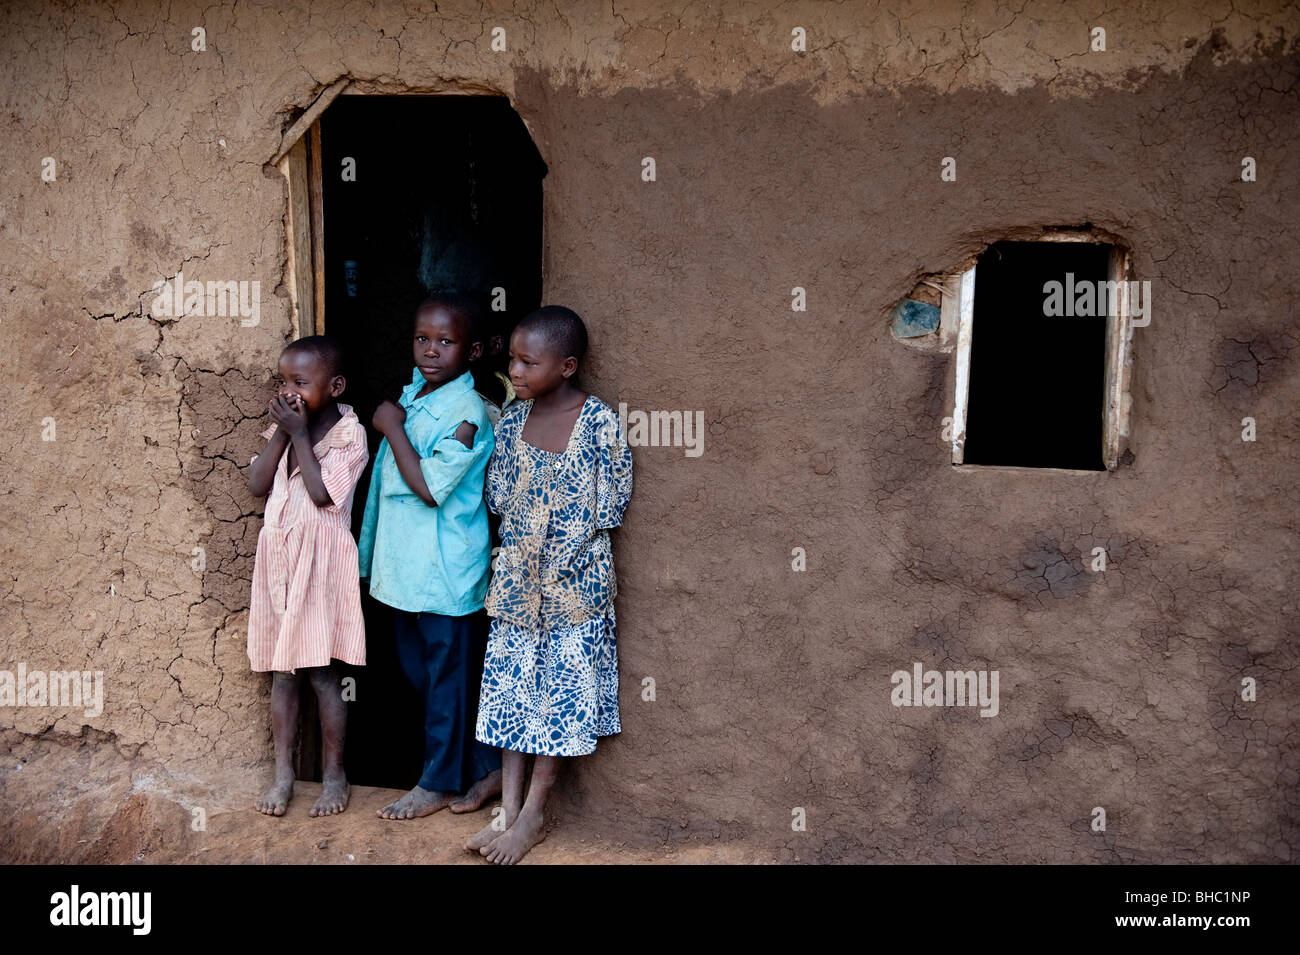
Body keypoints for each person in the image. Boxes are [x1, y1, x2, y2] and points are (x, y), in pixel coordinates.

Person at [468, 305, 633, 864]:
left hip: (573, 588)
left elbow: (610, 504)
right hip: (517, 584)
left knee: (557, 700)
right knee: (515, 695)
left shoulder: (600, 422)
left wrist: (559, 547)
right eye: (512, 359)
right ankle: (508, 814)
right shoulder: (512, 421)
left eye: (527, 362)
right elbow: (496, 497)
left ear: (566, 366)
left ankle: (534, 814)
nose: (513, 370)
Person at [358, 293, 502, 819]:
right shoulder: (416, 394)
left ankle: (438, 780)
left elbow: (429, 488)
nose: (432, 350)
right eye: (423, 338)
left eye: (446, 341)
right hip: (406, 575)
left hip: (445, 576)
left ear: (473, 351)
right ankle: (483, 767)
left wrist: (392, 428)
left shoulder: (465, 413)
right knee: (427, 676)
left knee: (445, 680)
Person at [246, 335, 369, 818]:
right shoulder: (284, 427)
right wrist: (282, 432)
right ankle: (283, 775)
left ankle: (335, 776)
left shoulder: (349, 435)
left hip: (321, 563)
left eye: (301, 382)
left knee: (323, 674)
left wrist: (298, 433)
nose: (289, 391)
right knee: (284, 674)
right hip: (280, 561)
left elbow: (323, 496)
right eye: (283, 381)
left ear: (335, 386)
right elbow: (257, 483)